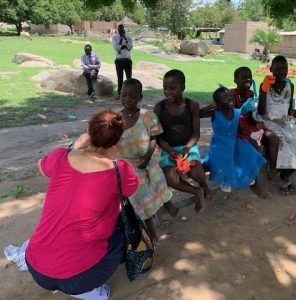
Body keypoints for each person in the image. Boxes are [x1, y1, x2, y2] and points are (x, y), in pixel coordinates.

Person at [25, 109, 140, 300]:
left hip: (35, 266)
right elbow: (130, 190)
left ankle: (80, 283)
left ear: (89, 132)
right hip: (77, 279)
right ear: (118, 139)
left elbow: (41, 166)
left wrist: (76, 145)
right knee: (124, 232)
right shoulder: (119, 169)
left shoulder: (61, 156)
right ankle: (89, 291)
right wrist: (113, 154)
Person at [117, 78, 178, 243]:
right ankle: (150, 224)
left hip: (149, 156)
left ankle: (166, 201)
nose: (128, 99)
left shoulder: (147, 116)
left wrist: (147, 157)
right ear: (119, 95)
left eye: (132, 96)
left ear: (140, 98)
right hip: (128, 161)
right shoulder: (116, 119)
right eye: (124, 95)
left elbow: (154, 138)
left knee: (157, 177)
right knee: (140, 189)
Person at [154, 69, 212, 213]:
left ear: (183, 88)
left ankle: (204, 185)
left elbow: (196, 133)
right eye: (165, 88)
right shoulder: (159, 108)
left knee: (198, 174)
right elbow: (158, 136)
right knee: (171, 179)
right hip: (168, 149)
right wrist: (169, 150)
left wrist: (187, 148)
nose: (168, 92)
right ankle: (196, 191)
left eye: (172, 88)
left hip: (188, 146)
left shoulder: (192, 105)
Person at [255, 55, 296, 195]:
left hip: (284, 121)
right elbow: (261, 111)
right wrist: (263, 90)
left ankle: (285, 175)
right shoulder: (266, 85)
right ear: (271, 69)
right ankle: (274, 171)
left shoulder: (289, 85)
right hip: (268, 120)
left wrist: (293, 121)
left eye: (284, 68)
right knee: (283, 142)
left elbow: (288, 107)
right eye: (278, 68)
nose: (282, 71)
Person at [202, 87, 266, 194]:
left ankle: (246, 176)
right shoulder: (215, 113)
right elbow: (199, 114)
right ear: (218, 103)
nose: (229, 98)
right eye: (225, 97)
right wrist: (211, 106)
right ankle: (225, 180)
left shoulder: (236, 112)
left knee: (247, 153)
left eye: (230, 95)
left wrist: (251, 134)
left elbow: (241, 128)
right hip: (220, 143)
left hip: (235, 141)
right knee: (225, 157)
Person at [112, 24, 133, 97]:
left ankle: (130, 93)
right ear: (117, 30)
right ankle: (120, 93)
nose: (120, 31)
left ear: (124, 29)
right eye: (119, 30)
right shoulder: (114, 37)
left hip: (127, 60)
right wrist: (124, 46)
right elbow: (115, 47)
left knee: (129, 78)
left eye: (122, 30)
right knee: (120, 78)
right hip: (119, 61)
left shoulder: (128, 37)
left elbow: (130, 47)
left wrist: (124, 38)